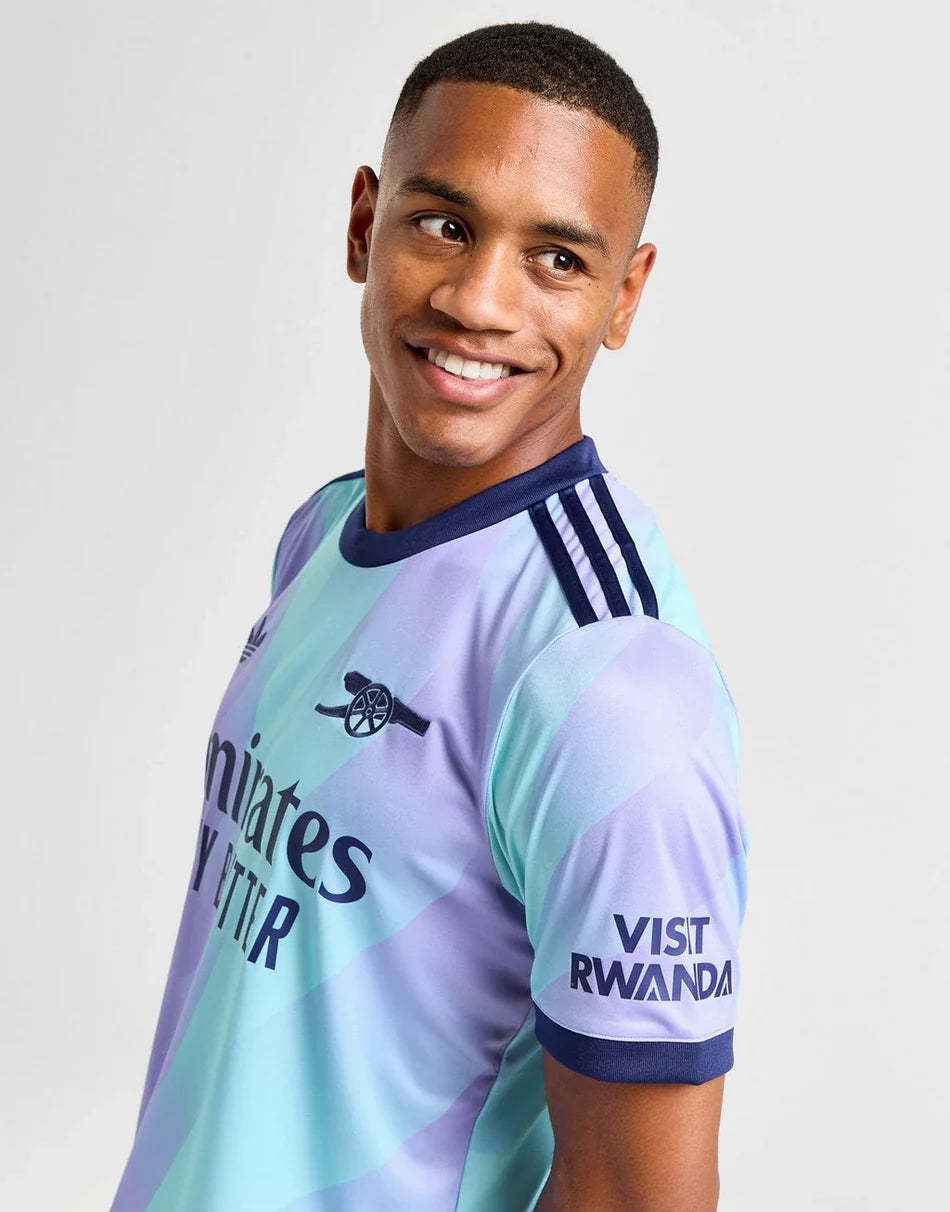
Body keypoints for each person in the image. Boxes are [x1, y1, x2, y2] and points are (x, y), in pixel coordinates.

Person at [111, 19, 750, 1212]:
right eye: (444, 225)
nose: (476, 300)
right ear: (364, 224)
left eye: (555, 258)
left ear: (623, 296)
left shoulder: (609, 685)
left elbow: (637, 1196)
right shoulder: (322, 533)